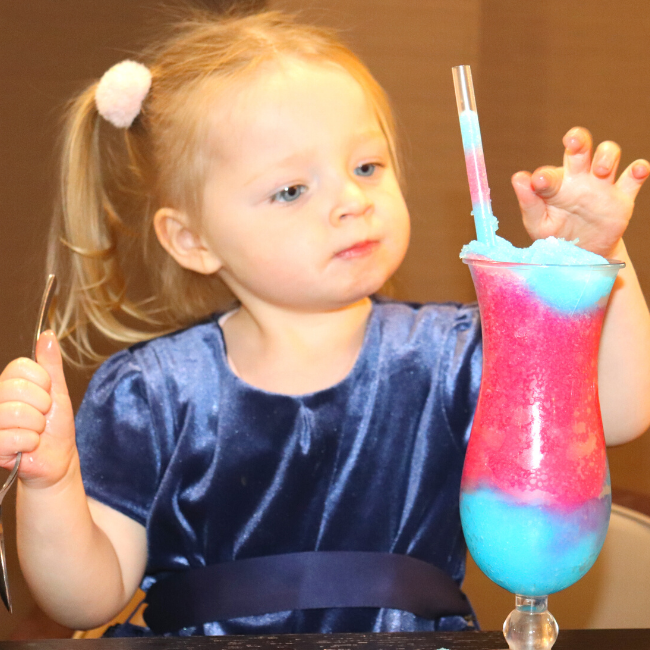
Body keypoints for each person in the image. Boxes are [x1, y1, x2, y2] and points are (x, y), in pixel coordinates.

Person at [1, 8, 649, 637]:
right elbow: (83, 599)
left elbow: (620, 408)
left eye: (367, 167)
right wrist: (53, 482)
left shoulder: (459, 353)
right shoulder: (148, 393)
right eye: (291, 190)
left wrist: (591, 259)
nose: (350, 200)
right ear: (191, 239)